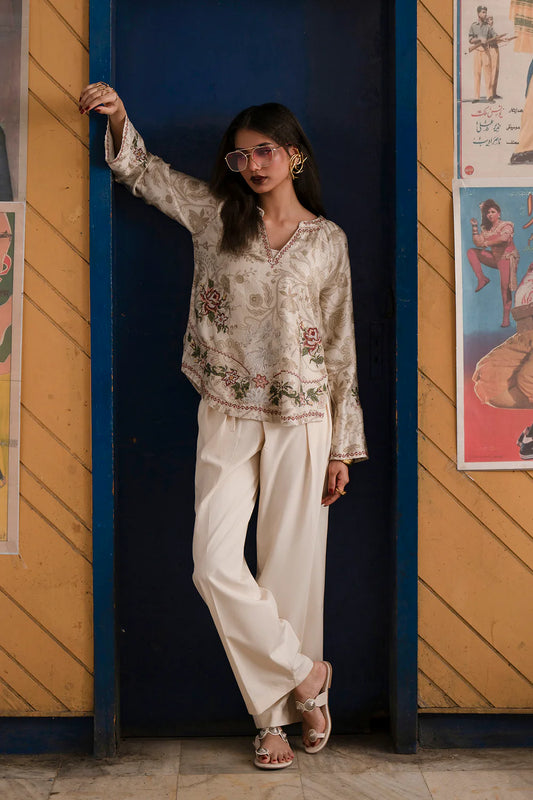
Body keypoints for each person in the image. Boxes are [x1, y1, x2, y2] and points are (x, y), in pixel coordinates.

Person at [79, 82, 368, 769]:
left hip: (305, 415)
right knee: (213, 564)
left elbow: (339, 347)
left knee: (291, 570)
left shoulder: (327, 241)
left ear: (294, 155)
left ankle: (272, 724)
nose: (252, 166)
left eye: (264, 152)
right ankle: (306, 675)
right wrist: (118, 118)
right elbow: (141, 173)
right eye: (240, 157)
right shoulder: (216, 216)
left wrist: (343, 447)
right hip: (228, 408)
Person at [467, 199, 519, 327]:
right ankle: (482, 279)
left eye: (492, 212)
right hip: (495, 258)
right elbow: (478, 242)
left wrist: (486, 243)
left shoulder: (506, 225)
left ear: (499, 213)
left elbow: (504, 238)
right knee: (471, 252)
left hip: (507, 258)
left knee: (505, 288)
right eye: (487, 212)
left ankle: (506, 319)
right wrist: (474, 227)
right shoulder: (486, 229)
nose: (490, 214)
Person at [469, 5, 497, 101]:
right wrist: (480, 39)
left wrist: (501, 39)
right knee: (477, 74)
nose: (485, 14)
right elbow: (470, 40)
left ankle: (489, 96)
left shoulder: (488, 26)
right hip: (477, 51)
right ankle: (476, 97)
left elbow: (495, 36)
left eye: (486, 12)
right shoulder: (473, 25)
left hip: (486, 51)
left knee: (487, 74)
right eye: (483, 12)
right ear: (478, 13)